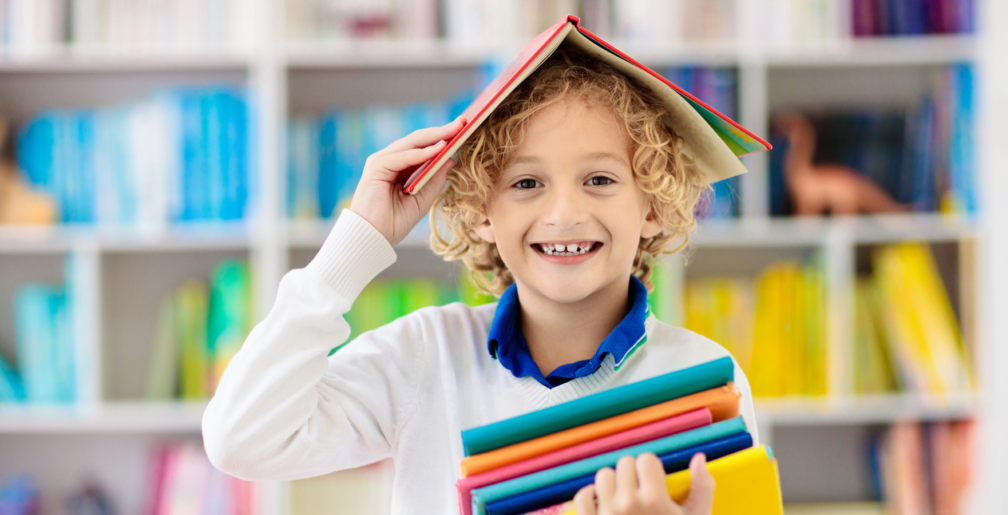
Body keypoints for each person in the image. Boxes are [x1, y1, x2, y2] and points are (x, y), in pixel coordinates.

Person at [202, 45, 758, 515]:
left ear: (652, 207)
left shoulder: (703, 379)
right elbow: (242, 439)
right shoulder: (423, 356)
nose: (563, 212)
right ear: (480, 213)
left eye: (599, 178)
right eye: (526, 183)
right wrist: (359, 241)